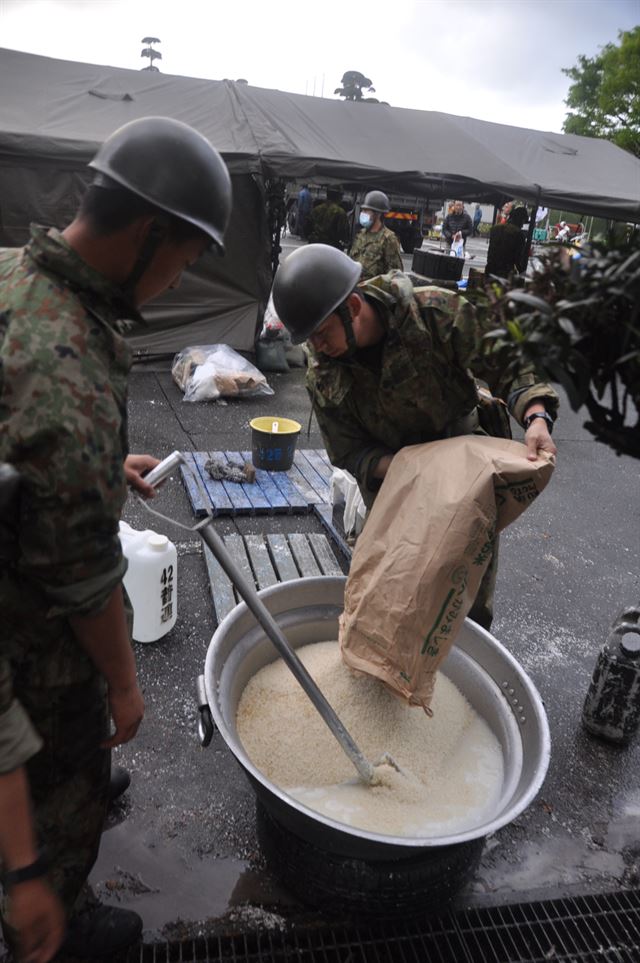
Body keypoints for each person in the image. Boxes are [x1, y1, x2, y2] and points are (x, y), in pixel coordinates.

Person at [0, 115, 232, 960]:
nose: (176, 282)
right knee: (60, 756)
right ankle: (52, 906)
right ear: (147, 234)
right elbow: (86, 581)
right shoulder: (67, 365)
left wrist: (96, 464)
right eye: (183, 260)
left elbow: (27, 434)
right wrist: (126, 688)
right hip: (31, 634)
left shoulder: (14, 275)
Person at [272, 244, 558, 630]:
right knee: (392, 589)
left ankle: (459, 668)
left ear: (353, 308)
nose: (317, 348)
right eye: (311, 339)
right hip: (398, 481)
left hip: (466, 466)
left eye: (322, 334)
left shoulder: (433, 313)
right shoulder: (324, 371)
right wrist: (409, 468)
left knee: (462, 592)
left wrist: (536, 416)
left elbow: (507, 360)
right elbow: (348, 451)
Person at [349, 190, 403, 280]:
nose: (363, 213)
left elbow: (395, 273)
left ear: (377, 214)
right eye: (363, 210)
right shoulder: (361, 234)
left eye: (366, 211)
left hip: (372, 291)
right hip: (355, 286)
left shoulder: (388, 238)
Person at [485, 206, 530, 277]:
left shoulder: (495, 228)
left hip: (490, 268)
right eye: (523, 222)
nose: (522, 226)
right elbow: (518, 258)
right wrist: (522, 272)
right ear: (520, 219)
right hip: (505, 272)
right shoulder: (518, 234)